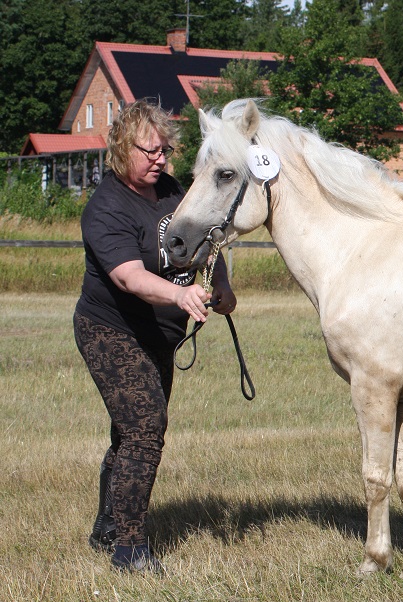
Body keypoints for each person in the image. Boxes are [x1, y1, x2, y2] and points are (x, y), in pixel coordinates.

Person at [73, 100, 237, 573]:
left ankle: (107, 526)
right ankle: (129, 548)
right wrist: (179, 296)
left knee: (131, 433)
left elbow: (204, 236)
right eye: (152, 151)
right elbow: (127, 277)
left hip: (160, 335)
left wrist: (219, 282)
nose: (163, 159)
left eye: (166, 149)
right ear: (124, 149)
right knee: (145, 428)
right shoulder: (105, 208)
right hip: (111, 329)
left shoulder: (170, 189)